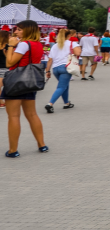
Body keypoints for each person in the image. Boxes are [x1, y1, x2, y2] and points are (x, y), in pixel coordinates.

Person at [3, 21, 49, 156]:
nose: (15, 32)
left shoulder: (23, 44)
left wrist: (11, 46)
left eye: (19, 30)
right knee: (32, 114)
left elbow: (9, 63)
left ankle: (13, 150)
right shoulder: (38, 44)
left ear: (27, 31)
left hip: (16, 82)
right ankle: (42, 144)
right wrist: (10, 50)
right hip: (30, 81)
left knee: (13, 116)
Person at [44, 29, 80, 114]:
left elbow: (50, 60)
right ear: (69, 35)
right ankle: (50, 104)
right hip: (66, 67)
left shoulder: (55, 46)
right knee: (61, 87)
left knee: (65, 85)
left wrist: (47, 71)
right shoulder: (72, 43)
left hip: (55, 68)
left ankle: (67, 103)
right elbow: (78, 53)